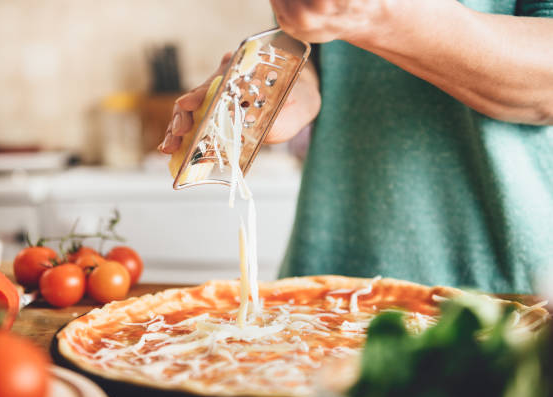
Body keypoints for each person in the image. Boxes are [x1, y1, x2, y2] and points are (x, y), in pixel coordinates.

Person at [159, 0, 553, 294]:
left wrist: (377, 15)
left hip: (503, 297)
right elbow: (308, 42)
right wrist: (278, 85)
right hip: (326, 282)